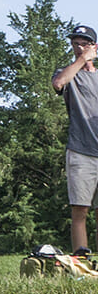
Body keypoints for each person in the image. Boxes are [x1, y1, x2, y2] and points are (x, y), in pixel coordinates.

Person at [51, 24, 98, 256]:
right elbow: (59, 83)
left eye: (85, 43)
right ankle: (81, 259)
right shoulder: (68, 72)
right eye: (75, 43)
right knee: (80, 209)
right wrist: (82, 59)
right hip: (81, 150)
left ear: (94, 46)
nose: (79, 47)